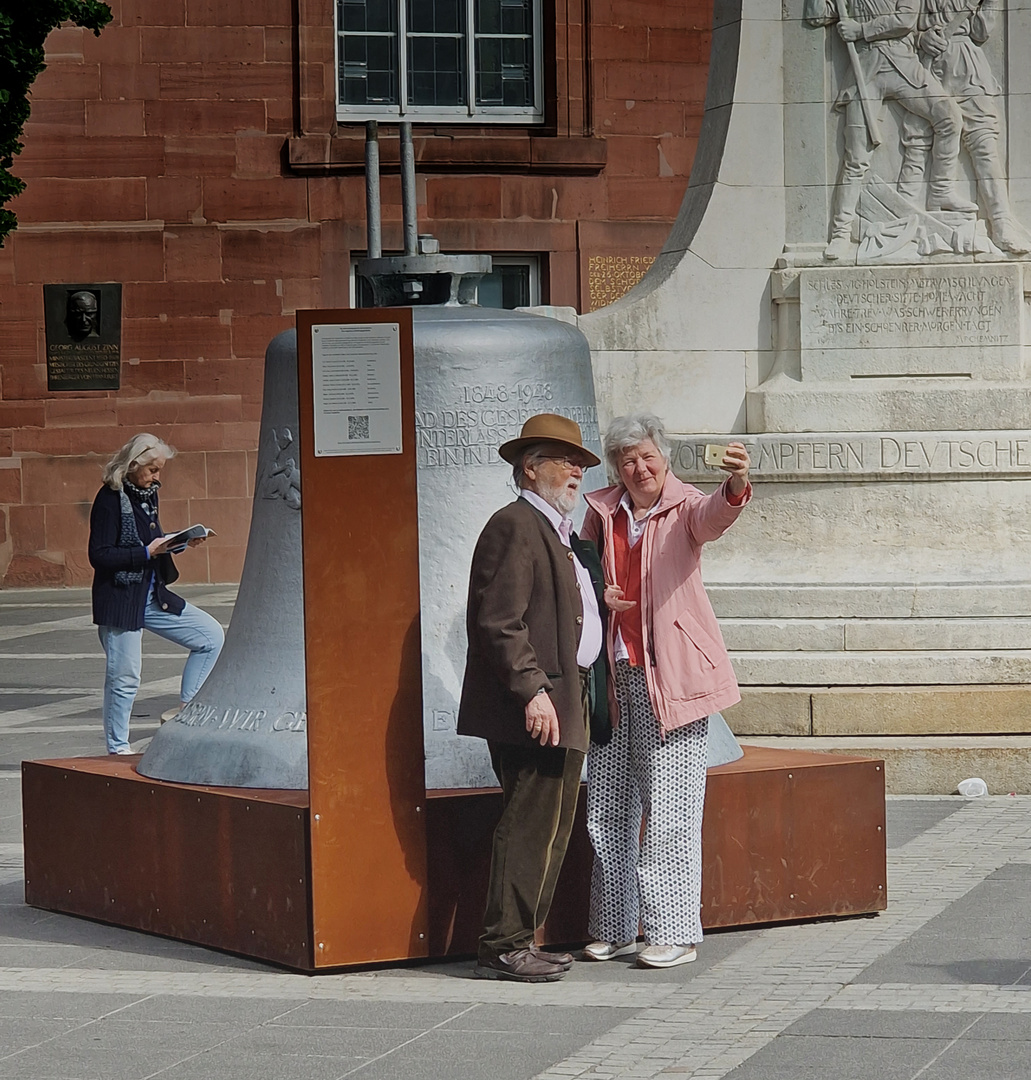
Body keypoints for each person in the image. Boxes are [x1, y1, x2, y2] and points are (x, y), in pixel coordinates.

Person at [580, 415, 750, 969]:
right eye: (627, 460)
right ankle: (615, 925)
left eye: (648, 456)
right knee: (606, 806)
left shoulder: (686, 508)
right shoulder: (601, 511)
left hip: (672, 677)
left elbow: (716, 517)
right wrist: (595, 592)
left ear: (665, 458)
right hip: (616, 676)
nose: (639, 468)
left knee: (672, 808)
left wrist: (735, 486)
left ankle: (673, 931)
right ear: (616, 468)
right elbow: (573, 569)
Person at [457, 413, 607, 983]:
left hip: (567, 701)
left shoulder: (557, 531)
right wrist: (533, 692)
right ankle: (503, 944)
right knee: (529, 825)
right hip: (539, 706)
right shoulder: (516, 524)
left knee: (553, 825)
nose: (576, 471)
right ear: (530, 467)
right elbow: (498, 622)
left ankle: (521, 939)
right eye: (564, 460)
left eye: (581, 464)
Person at [805, 0, 976, 260]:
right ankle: (840, 233)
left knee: (949, 117)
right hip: (866, 71)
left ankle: (941, 191)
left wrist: (860, 29)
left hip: (903, 66)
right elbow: (816, 16)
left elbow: (906, 20)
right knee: (856, 158)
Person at [88, 433, 224, 755]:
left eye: (159, 470)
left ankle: (188, 714)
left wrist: (181, 541)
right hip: (121, 600)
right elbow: (100, 555)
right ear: (133, 466)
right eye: (152, 470)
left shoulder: (148, 494)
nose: (157, 477)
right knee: (125, 678)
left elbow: (155, 541)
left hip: (151, 595)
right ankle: (118, 750)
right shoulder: (110, 498)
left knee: (210, 636)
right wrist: (145, 553)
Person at [897, 0, 1031, 254]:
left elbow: (981, 32)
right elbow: (900, 22)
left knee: (983, 143)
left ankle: (1001, 222)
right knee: (916, 141)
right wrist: (919, 38)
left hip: (966, 63)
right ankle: (904, 220)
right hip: (925, 65)